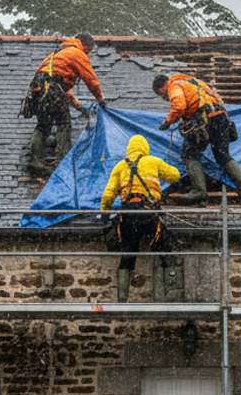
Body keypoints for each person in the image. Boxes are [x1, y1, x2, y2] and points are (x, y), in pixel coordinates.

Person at [100, 135, 180, 302]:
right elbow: (175, 176)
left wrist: (104, 214)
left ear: (129, 149)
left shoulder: (120, 167)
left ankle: (122, 298)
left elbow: (107, 196)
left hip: (128, 217)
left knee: (129, 252)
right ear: (145, 148)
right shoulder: (153, 161)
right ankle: (171, 292)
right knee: (164, 246)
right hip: (148, 214)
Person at [153, 73, 241, 204]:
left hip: (204, 119)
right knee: (222, 155)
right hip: (221, 117)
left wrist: (167, 121)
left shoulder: (174, 85)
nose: (165, 98)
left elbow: (179, 107)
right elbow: (216, 100)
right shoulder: (194, 82)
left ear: (162, 86)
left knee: (189, 154)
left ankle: (199, 191)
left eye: (162, 94)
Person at [23, 33, 107, 176]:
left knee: (44, 125)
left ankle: (34, 160)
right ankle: (63, 161)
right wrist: (100, 99)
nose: (88, 54)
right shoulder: (77, 53)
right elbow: (90, 79)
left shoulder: (58, 54)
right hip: (50, 88)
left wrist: (80, 108)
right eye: (89, 51)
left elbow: (63, 92)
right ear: (85, 45)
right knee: (64, 124)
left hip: (39, 89)